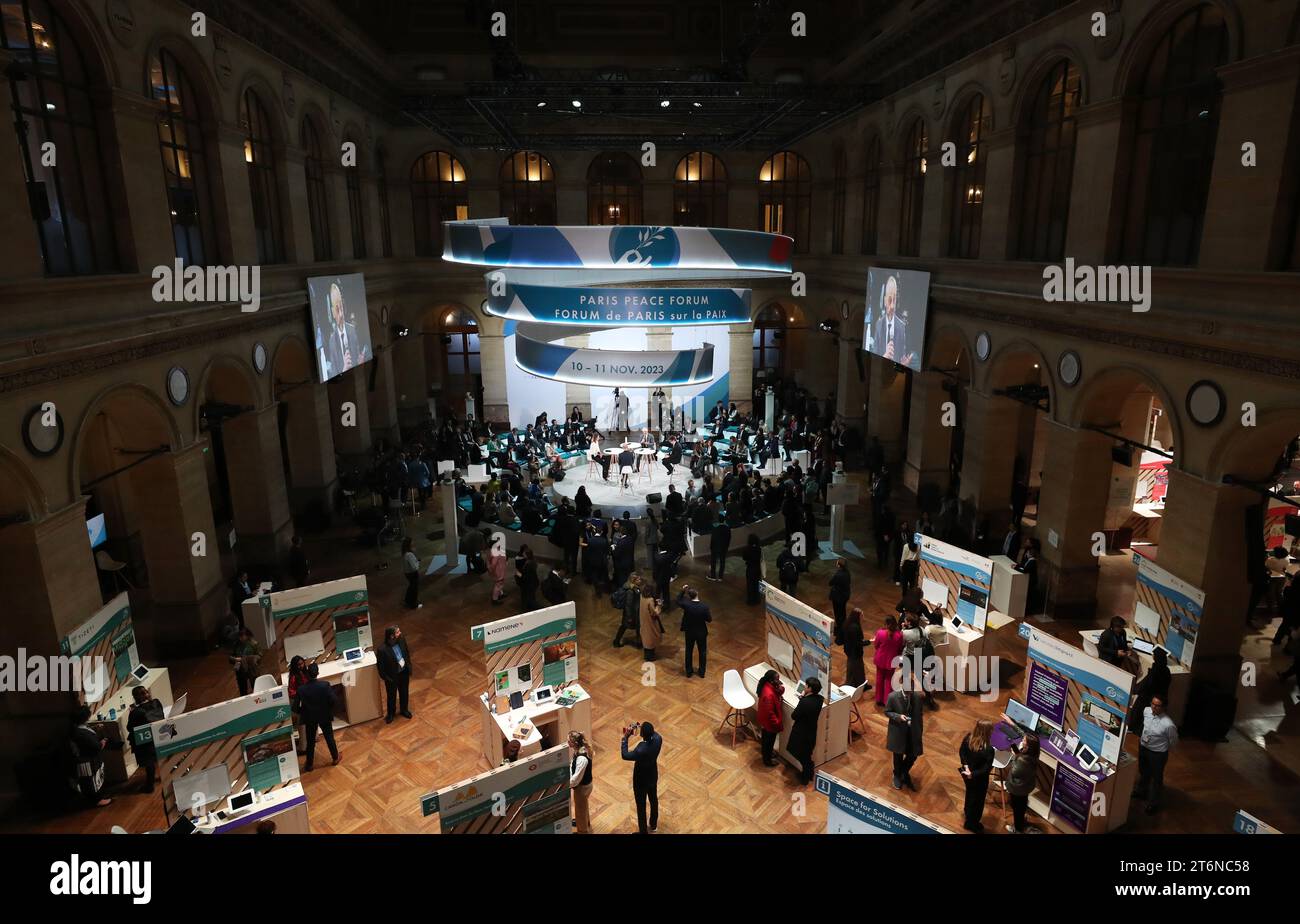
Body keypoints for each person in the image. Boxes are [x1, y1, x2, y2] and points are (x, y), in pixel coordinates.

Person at [1134, 696, 1178, 815]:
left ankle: (1153, 803)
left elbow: (1173, 741)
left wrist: (1162, 749)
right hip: (1143, 747)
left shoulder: (1168, 724)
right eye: (1152, 703)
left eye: (1157, 705)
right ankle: (1142, 791)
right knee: (1143, 771)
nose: (1154, 707)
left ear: (1164, 707)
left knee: (1156, 779)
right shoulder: (1146, 711)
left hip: (1157, 754)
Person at [295, 663, 341, 771]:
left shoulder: (301, 690)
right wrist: (328, 708)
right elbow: (334, 700)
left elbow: (295, 707)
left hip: (310, 717)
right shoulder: (325, 685)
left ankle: (309, 765)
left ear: (307, 675)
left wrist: (304, 711)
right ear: (318, 673)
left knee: (310, 741)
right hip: (324, 715)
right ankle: (335, 758)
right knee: (329, 737)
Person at [621, 721, 662, 834]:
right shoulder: (658, 739)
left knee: (641, 806)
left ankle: (643, 832)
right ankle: (653, 825)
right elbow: (651, 732)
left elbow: (625, 755)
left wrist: (625, 738)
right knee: (653, 800)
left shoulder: (641, 749)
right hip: (652, 776)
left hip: (640, 781)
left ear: (642, 734)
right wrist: (642, 727)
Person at [884, 676, 924, 790]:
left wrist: (919, 729)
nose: (909, 693)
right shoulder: (892, 697)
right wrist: (898, 717)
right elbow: (887, 712)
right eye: (907, 690)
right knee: (898, 756)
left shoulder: (917, 696)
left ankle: (903, 771)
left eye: (911, 689)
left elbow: (920, 714)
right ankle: (897, 775)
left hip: (913, 731)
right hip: (898, 731)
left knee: (913, 755)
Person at [68, 706, 112, 808]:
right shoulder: (81, 733)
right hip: (87, 761)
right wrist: (103, 741)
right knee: (90, 781)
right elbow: (95, 746)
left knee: (91, 780)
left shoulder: (76, 729)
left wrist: (94, 729)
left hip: (85, 760)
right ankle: (96, 800)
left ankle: (97, 798)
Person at [125, 686, 164, 793]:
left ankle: (149, 786)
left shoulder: (136, 712)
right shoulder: (157, 702)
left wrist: (132, 711)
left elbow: (129, 727)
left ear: (135, 698)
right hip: (159, 735)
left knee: (149, 762)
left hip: (145, 741)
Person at [959, 719, 994, 832]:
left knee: (970, 794)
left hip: (966, 774)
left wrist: (967, 767)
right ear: (987, 732)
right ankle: (971, 824)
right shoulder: (989, 749)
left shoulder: (968, 738)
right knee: (978, 801)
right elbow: (986, 769)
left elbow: (962, 753)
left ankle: (967, 813)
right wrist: (973, 774)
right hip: (979, 778)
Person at [787, 678, 824, 784]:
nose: (805, 687)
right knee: (806, 754)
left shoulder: (805, 702)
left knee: (801, 755)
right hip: (811, 732)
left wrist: (802, 698)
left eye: (806, 686)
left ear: (810, 688)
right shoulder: (820, 700)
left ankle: (806, 776)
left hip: (801, 733)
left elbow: (794, 715)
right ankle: (809, 772)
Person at [1003, 729, 1040, 833]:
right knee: (1022, 805)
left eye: (1024, 740)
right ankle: (1021, 820)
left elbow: (1015, 772)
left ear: (1027, 746)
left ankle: (1017, 829)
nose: (1022, 740)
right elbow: (1023, 734)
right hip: (1026, 787)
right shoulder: (1034, 752)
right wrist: (1011, 723)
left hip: (1017, 789)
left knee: (1017, 809)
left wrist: (1015, 756)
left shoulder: (1022, 760)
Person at [1130, 646, 1171, 735]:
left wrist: (1135, 689)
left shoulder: (1156, 669)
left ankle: (1136, 730)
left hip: (1147, 697)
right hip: (1158, 697)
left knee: (1139, 714)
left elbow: (1147, 684)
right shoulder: (1166, 670)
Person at [376, 626, 412, 723]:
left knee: (404, 693)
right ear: (392, 636)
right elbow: (380, 667)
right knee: (391, 696)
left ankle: (404, 710)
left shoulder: (401, 640)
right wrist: (386, 678)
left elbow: (406, 653)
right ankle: (391, 714)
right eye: (397, 632)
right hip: (392, 677)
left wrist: (409, 667)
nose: (400, 633)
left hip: (403, 673)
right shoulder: (382, 650)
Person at [678, 585, 712, 678]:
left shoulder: (687, 605)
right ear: (697, 594)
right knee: (702, 652)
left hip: (689, 632)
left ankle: (689, 672)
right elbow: (709, 619)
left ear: (689, 596)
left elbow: (678, 600)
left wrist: (682, 591)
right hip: (701, 632)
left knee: (688, 651)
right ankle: (701, 672)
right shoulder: (704, 606)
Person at [755, 669, 784, 766]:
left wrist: (779, 686)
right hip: (769, 722)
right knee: (769, 741)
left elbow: (780, 690)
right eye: (777, 679)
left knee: (766, 739)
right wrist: (776, 723)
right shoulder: (769, 694)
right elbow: (769, 712)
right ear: (771, 680)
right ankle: (767, 761)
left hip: (765, 720)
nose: (779, 681)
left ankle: (767, 754)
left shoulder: (767, 686)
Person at [568, 731, 594, 834]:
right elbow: (573, 765)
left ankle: (582, 830)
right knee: (583, 806)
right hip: (586, 785)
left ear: (574, 743)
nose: (567, 742)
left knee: (580, 810)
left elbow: (576, 779)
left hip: (582, 788)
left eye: (569, 741)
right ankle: (585, 822)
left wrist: (566, 784)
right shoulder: (581, 750)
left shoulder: (582, 758)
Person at [842, 608, 869, 689]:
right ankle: (861, 686)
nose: (863, 617)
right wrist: (868, 642)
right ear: (858, 616)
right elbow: (857, 643)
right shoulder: (855, 628)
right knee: (858, 670)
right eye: (862, 615)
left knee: (853, 669)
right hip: (854, 652)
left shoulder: (848, 624)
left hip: (849, 650)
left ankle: (852, 684)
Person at [230, 627, 262, 696]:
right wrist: (235, 659)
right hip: (240, 670)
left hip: (252, 669)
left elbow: (260, 656)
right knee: (243, 691)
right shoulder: (236, 645)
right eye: (239, 636)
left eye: (242, 636)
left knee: (256, 688)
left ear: (247, 635)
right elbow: (230, 657)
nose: (240, 638)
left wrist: (250, 659)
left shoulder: (254, 644)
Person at [828, 559, 851, 644]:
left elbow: (830, 583)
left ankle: (841, 633)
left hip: (838, 597)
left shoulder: (838, 574)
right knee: (843, 612)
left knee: (838, 615)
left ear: (839, 565)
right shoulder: (847, 573)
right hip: (844, 596)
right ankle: (843, 628)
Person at [640, 587, 664, 662]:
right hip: (650, 622)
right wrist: (659, 605)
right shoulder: (650, 600)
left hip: (644, 620)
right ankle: (650, 657)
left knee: (646, 637)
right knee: (651, 638)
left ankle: (647, 655)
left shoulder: (641, 597)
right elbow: (654, 613)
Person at [515, 544, 539, 611]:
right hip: (533, 583)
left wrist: (519, 574)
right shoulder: (532, 561)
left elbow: (526, 577)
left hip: (528, 584)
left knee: (526, 597)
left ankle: (526, 609)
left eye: (524, 553)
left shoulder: (529, 564)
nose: (523, 554)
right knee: (531, 597)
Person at [742, 533, 763, 604]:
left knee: (750, 584)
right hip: (757, 569)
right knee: (756, 584)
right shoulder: (759, 549)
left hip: (750, 568)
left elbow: (744, 558)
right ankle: (757, 599)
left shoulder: (746, 549)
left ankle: (750, 600)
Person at [708, 518, 731, 582]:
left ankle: (713, 576)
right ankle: (720, 577)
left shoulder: (715, 528)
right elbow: (729, 539)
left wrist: (711, 547)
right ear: (724, 520)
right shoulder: (727, 528)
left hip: (715, 548)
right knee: (722, 562)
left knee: (713, 561)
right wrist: (727, 547)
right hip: (724, 548)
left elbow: (713, 539)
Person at [402, 538, 422, 610]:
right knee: (414, 589)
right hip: (412, 574)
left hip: (408, 573)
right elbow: (415, 567)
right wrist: (418, 562)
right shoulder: (409, 555)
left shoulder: (405, 553)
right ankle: (414, 604)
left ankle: (407, 600)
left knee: (411, 587)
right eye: (412, 543)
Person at [487, 539, 508, 605]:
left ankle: (500, 594)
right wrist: (492, 571)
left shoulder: (492, 551)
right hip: (498, 572)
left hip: (498, 571)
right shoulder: (496, 553)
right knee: (498, 584)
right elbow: (493, 564)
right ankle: (495, 599)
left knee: (499, 584)